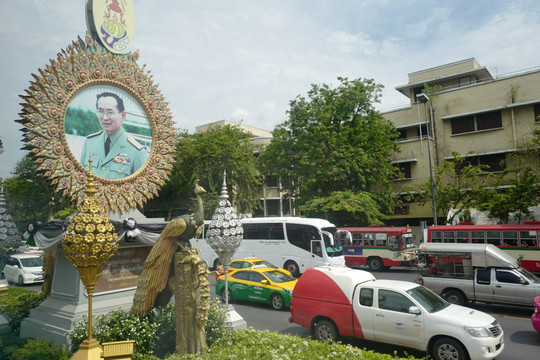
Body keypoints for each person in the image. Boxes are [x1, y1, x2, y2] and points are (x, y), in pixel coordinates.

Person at [80, 92, 148, 179]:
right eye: (100, 111)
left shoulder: (137, 152)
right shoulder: (90, 142)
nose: (104, 117)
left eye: (110, 112)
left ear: (123, 116)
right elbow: (80, 179)